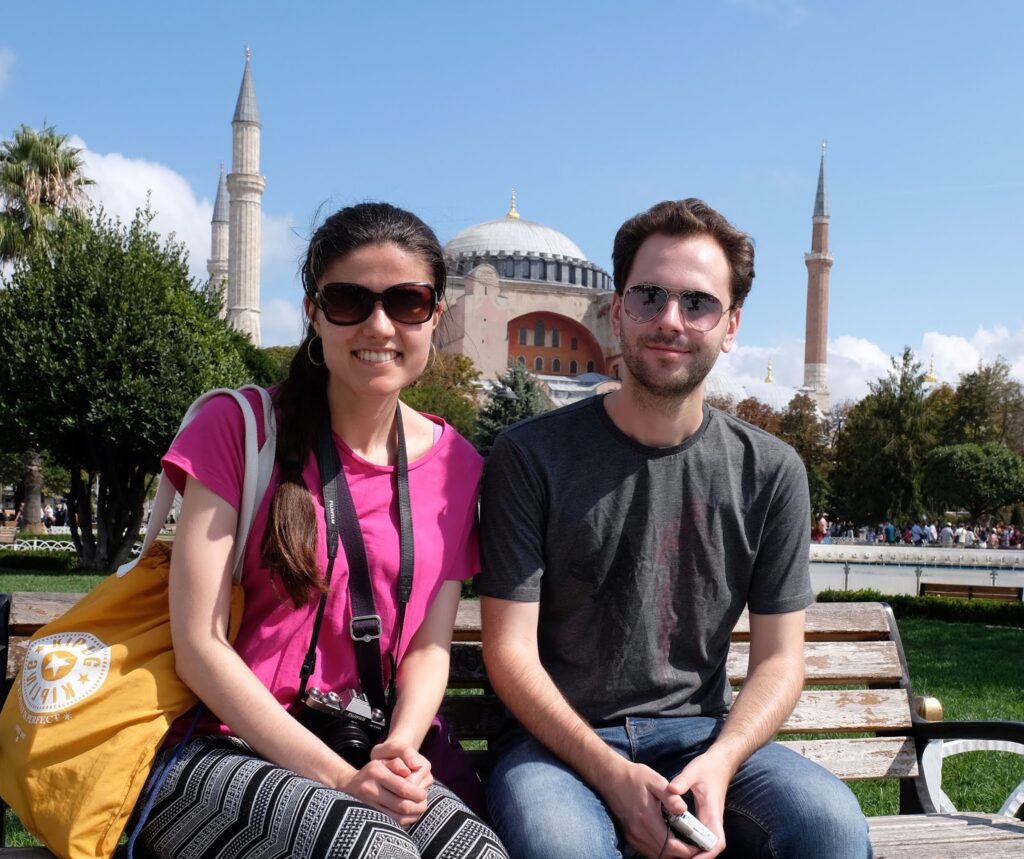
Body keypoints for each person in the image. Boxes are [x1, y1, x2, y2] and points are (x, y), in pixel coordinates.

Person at [477, 199, 870, 858]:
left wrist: (721, 761)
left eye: (697, 303)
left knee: (826, 823)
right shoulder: (531, 455)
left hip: (702, 738)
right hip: (557, 746)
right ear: (615, 309)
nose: (670, 320)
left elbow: (779, 659)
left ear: (731, 325)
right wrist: (612, 774)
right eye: (649, 296)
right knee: (558, 844)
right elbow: (509, 651)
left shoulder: (770, 472)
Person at [133, 203, 507, 859]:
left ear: (435, 317)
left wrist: (399, 746)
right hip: (218, 748)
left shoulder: (457, 466)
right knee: (372, 851)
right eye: (349, 300)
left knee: (474, 852)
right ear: (313, 311)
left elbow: (428, 646)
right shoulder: (238, 429)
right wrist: (338, 778)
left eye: (407, 302)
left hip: (366, 741)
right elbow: (199, 644)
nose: (379, 325)